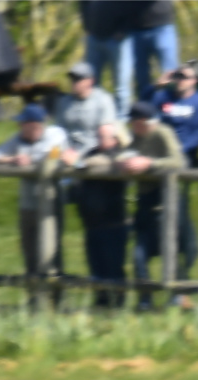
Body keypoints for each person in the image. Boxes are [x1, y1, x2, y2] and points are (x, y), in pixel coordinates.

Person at [0, 104, 69, 304]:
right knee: (29, 251)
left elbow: (53, 156)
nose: (20, 127)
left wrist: (30, 160)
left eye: (24, 123)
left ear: (36, 125)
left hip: (50, 204)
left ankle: (54, 298)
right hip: (27, 205)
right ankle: (34, 296)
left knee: (51, 253)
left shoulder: (55, 135)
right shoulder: (18, 140)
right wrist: (11, 159)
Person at [113, 99, 185, 307]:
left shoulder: (162, 133)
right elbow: (129, 153)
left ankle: (177, 295)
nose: (132, 126)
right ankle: (145, 298)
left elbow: (179, 161)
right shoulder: (137, 137)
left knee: (168, 249)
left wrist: (149, 164)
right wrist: (122, 162)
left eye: (135, 122)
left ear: (144, 121)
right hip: (144, 203)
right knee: (138, 254)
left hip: (165, 201)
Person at [75, 121, 131, 308]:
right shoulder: (91, 154)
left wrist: (78, 162)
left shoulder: (120, 156)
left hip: (113, 223)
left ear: (115, 139)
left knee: (113, 268)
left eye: (103, 136)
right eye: (97, 136)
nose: (98, 140)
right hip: (92, 223)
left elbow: (103, 165)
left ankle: (118, 304)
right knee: (96, 266)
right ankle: (101, 302)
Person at [58, 59, 120, 157]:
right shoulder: (64, 102)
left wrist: (78, 155)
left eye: (78, 79)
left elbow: (106, 134)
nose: (74, 82)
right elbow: (59, 132)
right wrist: (65, 152)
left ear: (90, 81)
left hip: (93, 151)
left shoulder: (103, 100)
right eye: (73, 79)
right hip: (67, 152)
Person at [79, 0, 134, 105]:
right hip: (94, 38)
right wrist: (87, 26)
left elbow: (132, 6)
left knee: (121, 85)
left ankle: (122, 118)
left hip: (118, 40)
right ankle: (94, 116)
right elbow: (84, 3)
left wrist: (123, 30)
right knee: (91, 82)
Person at [128, 1, 177, 103]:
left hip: (162, 25)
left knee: (171, 75)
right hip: (134, 28)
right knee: (141, 77)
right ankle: (143, 112)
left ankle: (173, 108)